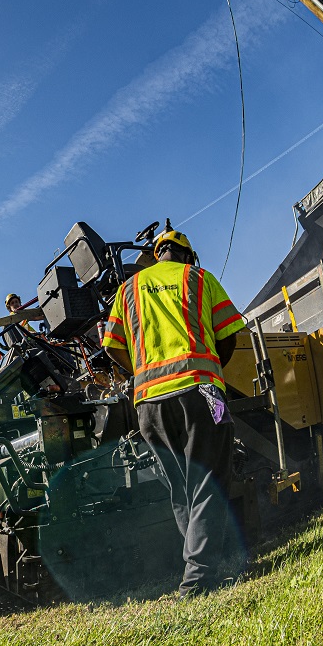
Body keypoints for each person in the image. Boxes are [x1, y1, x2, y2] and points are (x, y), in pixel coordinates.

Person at [100, 229, 246, 598]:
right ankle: (198, 578)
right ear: (187, 255)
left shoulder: (128, 289)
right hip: (204, 390)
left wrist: (142, 372)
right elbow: (229, 336)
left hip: (148, 404)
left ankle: (204, 567)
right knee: (212, 478)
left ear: (156, 254)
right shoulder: (200, 279)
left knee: (181, 487)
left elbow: (112, 347)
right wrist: (210, 369)